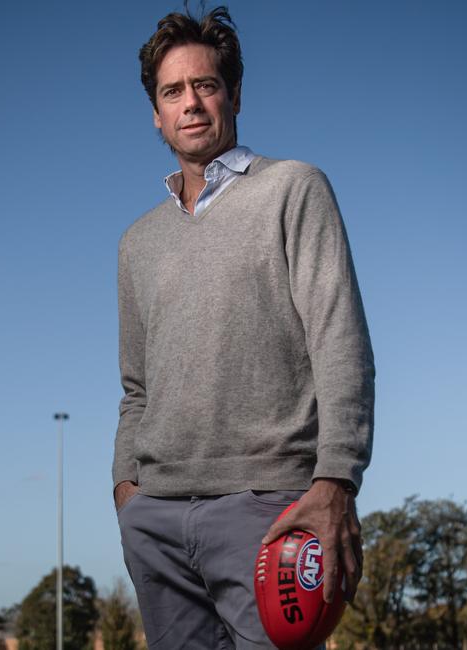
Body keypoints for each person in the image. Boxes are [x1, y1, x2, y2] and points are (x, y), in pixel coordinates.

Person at [112, 6, 375, 649]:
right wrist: (127, 494)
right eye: (172, 91)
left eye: (205, 84)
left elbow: (339, 341)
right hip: (158, 523)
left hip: (269, 511)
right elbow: (135, 386)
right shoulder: (137, 242)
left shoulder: (293, 189)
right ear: (156, 112)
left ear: (232, 94)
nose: (191, 102)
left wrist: (336, 479)